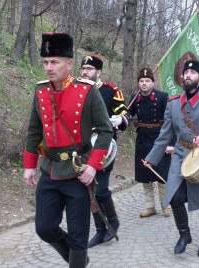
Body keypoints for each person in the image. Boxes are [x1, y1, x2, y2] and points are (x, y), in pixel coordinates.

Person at [23, 33, 114, 267]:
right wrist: (29, 166)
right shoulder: (41, 91)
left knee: (78, 235)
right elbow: (34, 130)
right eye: (45, 62)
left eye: (55, 62)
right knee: (44, 227)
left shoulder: (87, 90)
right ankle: (78, 260)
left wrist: (93, 166)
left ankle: (78, 260)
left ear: (69, 63)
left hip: (78, 172)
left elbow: (105, 131)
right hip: (50, 170)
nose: (49, 67)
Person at [144, 60, 199, 257]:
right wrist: (152, 158)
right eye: (186, 72)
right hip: (181, 154)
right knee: (174, 196)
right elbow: (165, 134)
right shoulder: (174, 103)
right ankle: (185, 235)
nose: (188, 75)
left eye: (193, 72)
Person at [80, 54, 130, 248]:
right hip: (83, 149)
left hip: (104, 147)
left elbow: (124, 113)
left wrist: (120, 120)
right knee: (89, 191)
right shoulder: (75, 89)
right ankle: (100, 230)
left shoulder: (111, 91)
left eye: (89, 69)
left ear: (98, 72)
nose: (85, 72)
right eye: (83, 68)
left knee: (100, 191)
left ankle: (113, 221)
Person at [128, 67, 174, 217]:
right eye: (141, 81)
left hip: (159, 139)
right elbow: (128, 115)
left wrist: (170, 143)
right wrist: (120, 119)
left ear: (153, 83)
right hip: (142, 138)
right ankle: (150, 207)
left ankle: (166, 205)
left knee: (161, 174)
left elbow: (170, 121)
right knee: (144, 175)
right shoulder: (135, 98)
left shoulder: (162, 97)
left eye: (147, 81)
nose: (144, 84)